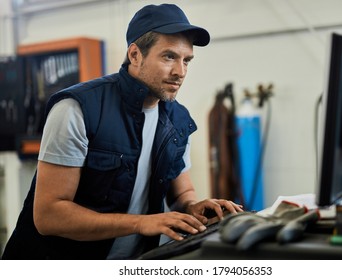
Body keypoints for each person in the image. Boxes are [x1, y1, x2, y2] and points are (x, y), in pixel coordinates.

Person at [1, 3, 242, 260]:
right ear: (135, 55)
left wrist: (194, 207)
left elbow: (182, 193)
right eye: (169, 56)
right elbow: (49, 216)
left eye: (186, 60)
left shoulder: (178, 119)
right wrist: (140, 223)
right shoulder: (77, 109)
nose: (180, 72)